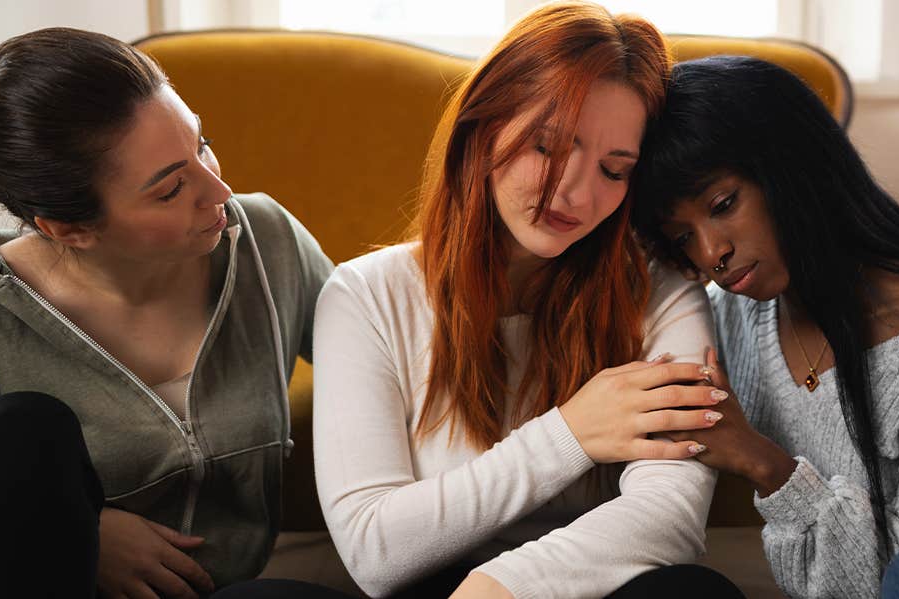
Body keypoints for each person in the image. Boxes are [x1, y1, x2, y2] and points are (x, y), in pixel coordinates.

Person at [301, 3, 744, 598]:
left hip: (570, 588)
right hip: (429, 588)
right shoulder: (365, 295)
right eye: (548, 147)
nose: (577, 192)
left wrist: (502, 586)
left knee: (691, 592)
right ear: (483, 129)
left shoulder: (660, 291)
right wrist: (571, 434)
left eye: (615, 171)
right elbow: (375, 550)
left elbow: (670, 513)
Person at [0, 27, 334, 598]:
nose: (218, 189)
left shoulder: (267, 240)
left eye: (202, 144)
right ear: (69, 229)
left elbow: (396, 369)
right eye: (170, 190)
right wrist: (69, 534)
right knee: (19, 428)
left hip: (230, 590)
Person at [632, 55, 899, 599]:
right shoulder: (734, 314)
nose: (713, 251)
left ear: (795, 168)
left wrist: (766, 463)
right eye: (683, 237)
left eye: (723, 204)